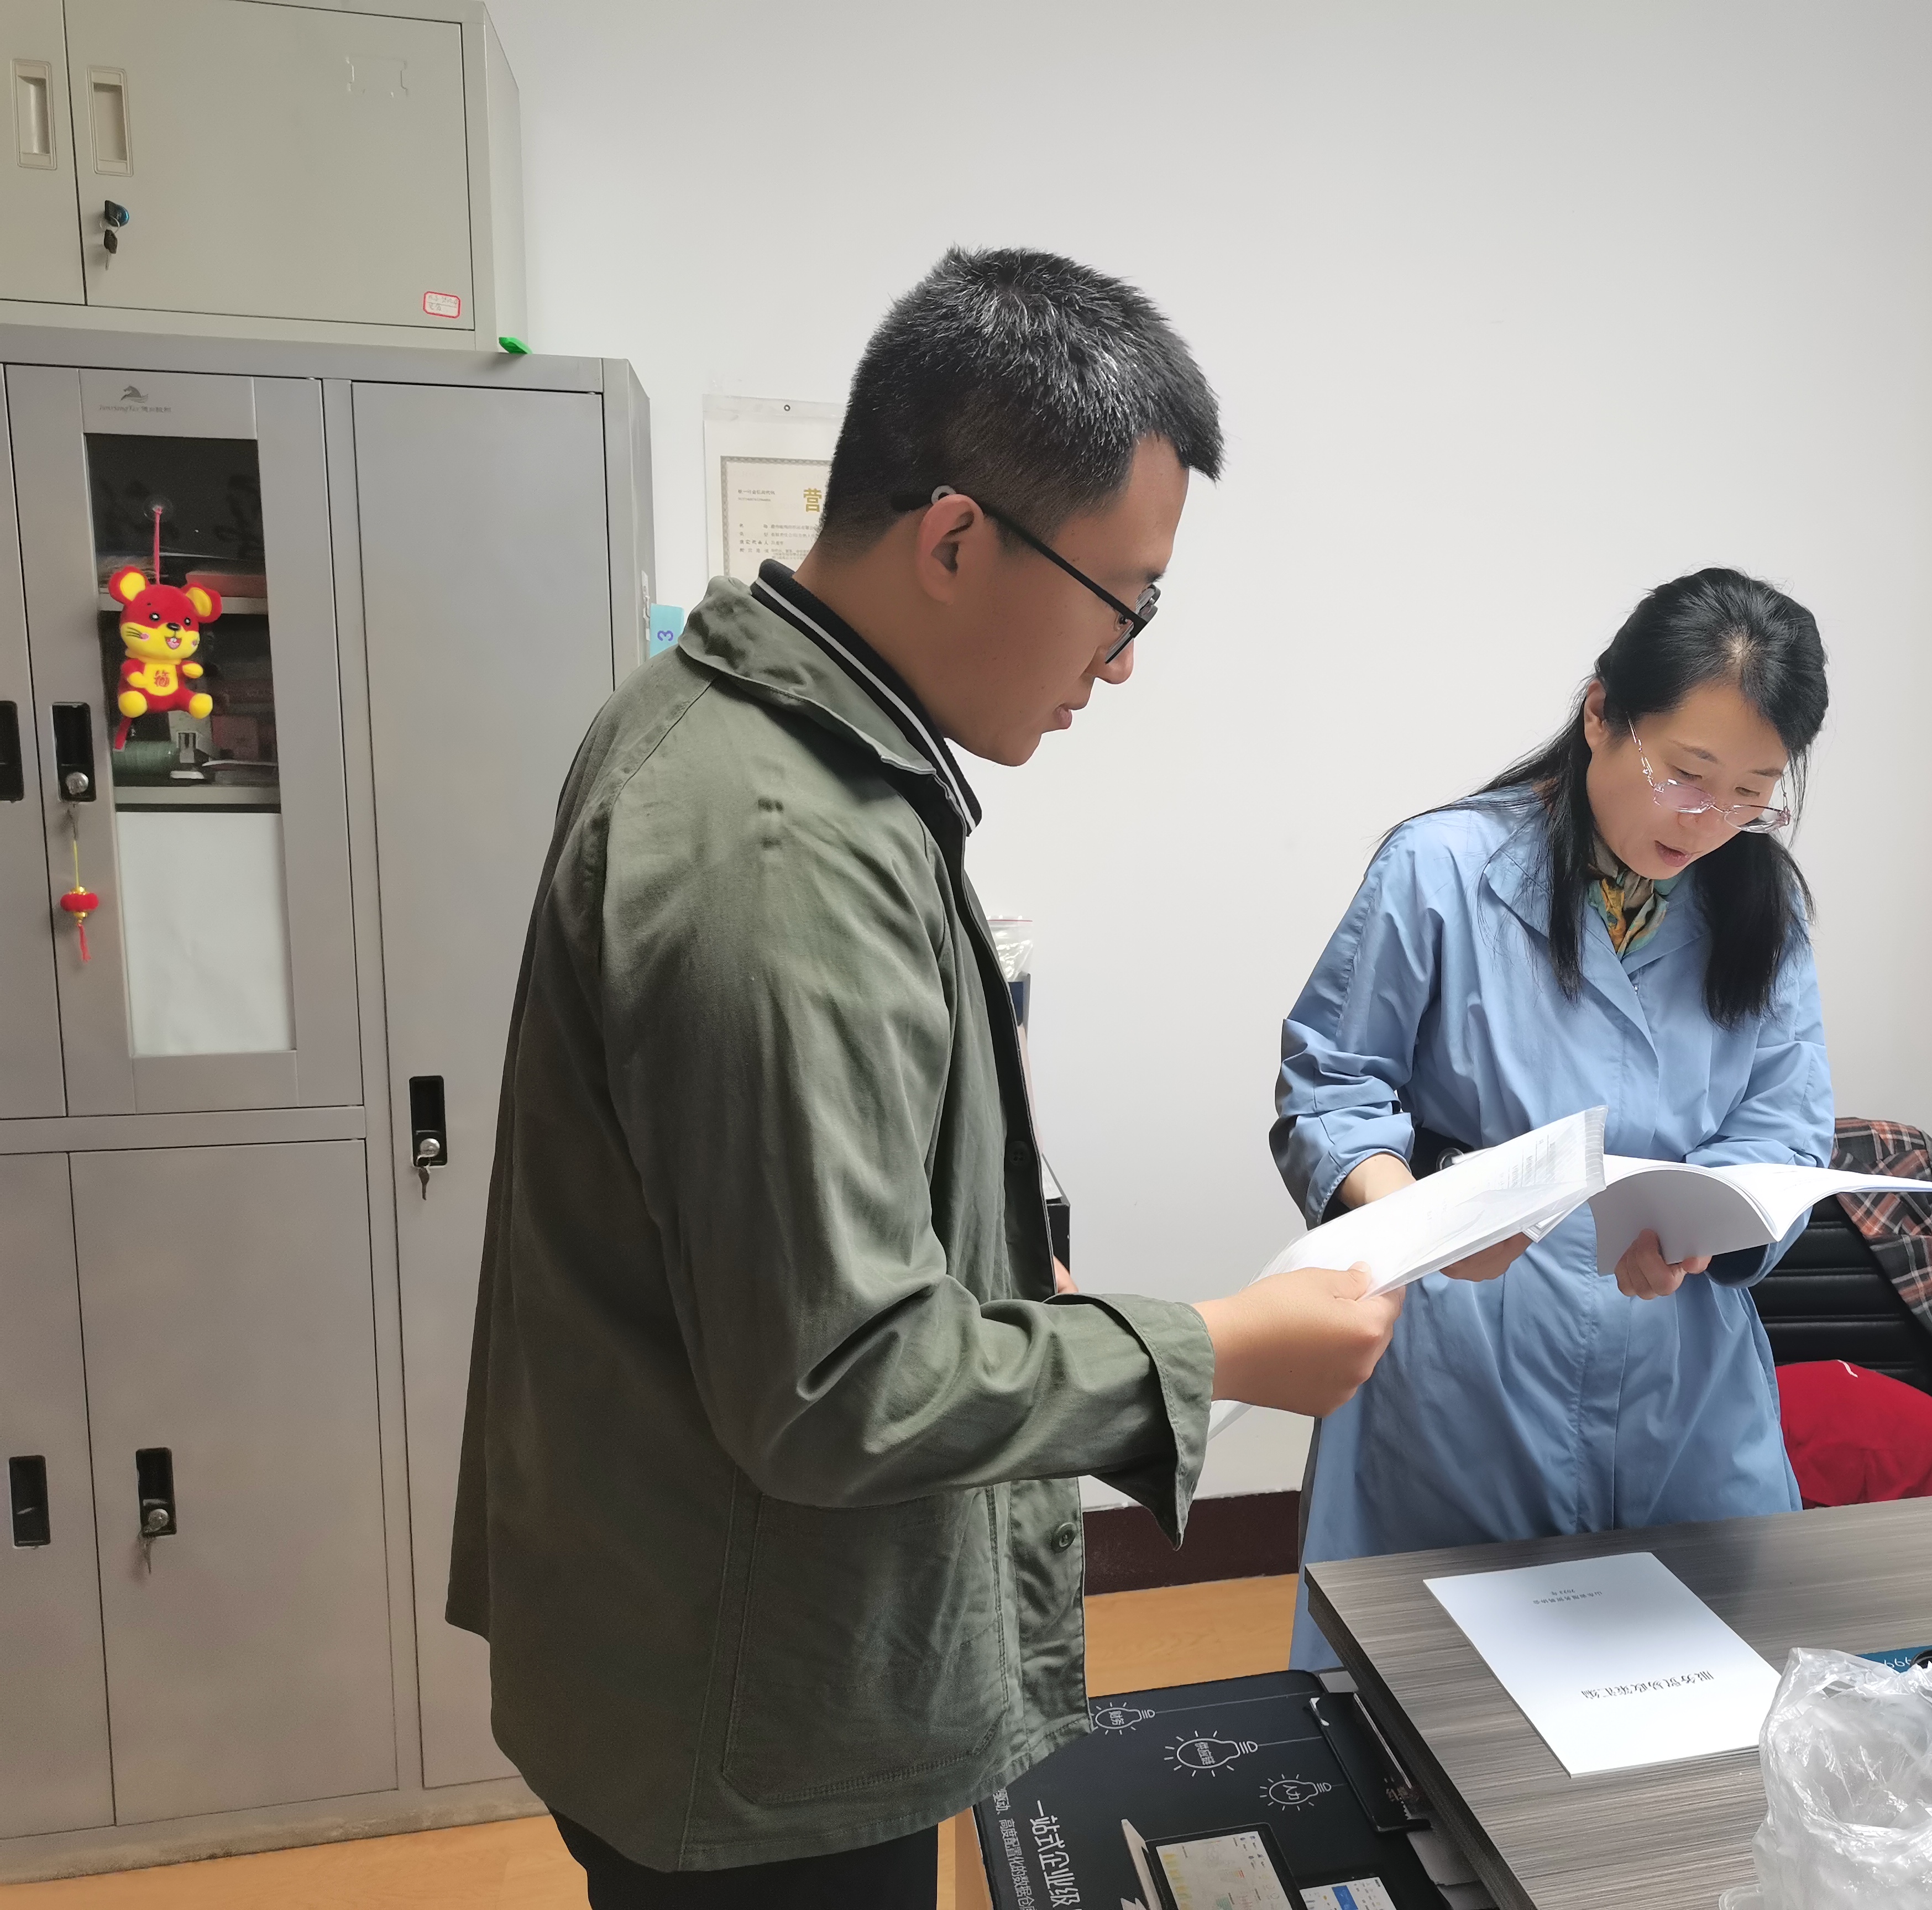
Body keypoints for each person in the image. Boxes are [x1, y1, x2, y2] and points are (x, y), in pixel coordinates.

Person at [448, 248, 1402, 1907]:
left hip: (693, 1632)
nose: (1123, 661)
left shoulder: (756, 733)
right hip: (758, 1717)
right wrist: (1224, 1350)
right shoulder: (780, 844)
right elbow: (837, 1383)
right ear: (957, 539)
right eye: (1124, 600)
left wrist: (1004, 1275)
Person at [1271, 567, 1835, 1668]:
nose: (1708, 821)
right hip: (1465, 1364)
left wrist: (1706, 1228)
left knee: (1702, 1697)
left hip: (1683, 1380)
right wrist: (1421, 1223)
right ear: (1601, 714)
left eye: (1751, 794)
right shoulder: (1442, 867)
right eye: (1686, 775)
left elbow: (1786, 1127)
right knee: (1435, 1702)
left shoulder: (1763, 910)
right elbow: (1333, 1087)